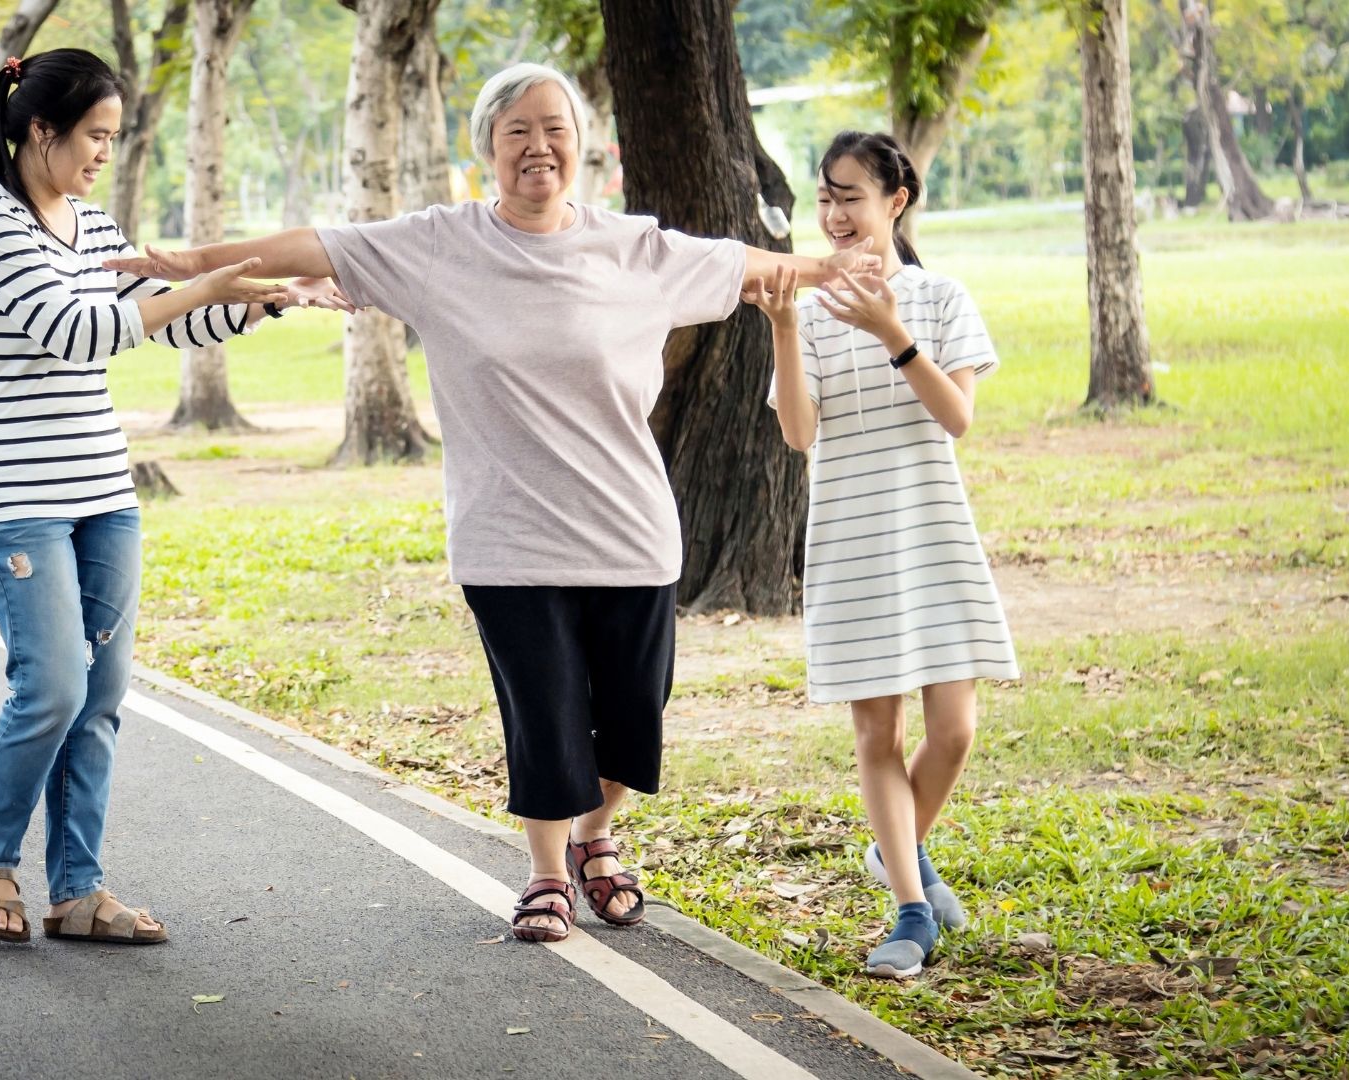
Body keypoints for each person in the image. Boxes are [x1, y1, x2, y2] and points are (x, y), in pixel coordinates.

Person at [106, 63, 876, 943]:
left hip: (631, 534)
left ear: (584, 148)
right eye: (517, 131)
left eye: (555, 128)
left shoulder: (639, 251)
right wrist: (194, 262)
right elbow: (314, 248)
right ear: (487, 151)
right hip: (507, 538)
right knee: (544, 714)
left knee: (631, 723)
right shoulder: (439, 246)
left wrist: (832, 266)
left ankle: (597, 838)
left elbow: (758, 267)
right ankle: (548, 874)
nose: (538, 147)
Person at [0, 48, 339, 945]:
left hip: (101, 493)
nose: (102, 155)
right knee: (50, 687)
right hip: (14, 495)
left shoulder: (88, 225)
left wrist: (265, 298)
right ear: (39, 130)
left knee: (100, 696)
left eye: (113, 140)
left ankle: (77, 890)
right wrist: (193, 286)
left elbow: (167, 316)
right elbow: (77, 330)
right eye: (93, 136)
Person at [747, 131, 1018, 978]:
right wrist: (788, 330)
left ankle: (895, 848)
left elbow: (957, 418)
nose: (831, 215)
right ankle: (910, 907)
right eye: (822, 198)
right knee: (878, 732)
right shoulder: (812, 305)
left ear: (895, 201)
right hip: (849, 537)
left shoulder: (940, 298)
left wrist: (894, 332)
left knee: (955, 730)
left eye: (849, 196)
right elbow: (798, 432)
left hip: (931, 530)